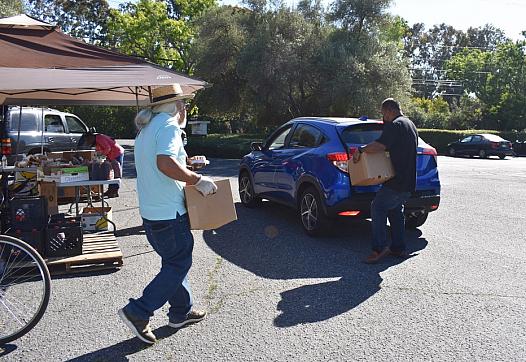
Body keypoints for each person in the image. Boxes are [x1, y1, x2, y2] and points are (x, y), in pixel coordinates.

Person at [118, 84, 217, 345]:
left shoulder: (146, 130)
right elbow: (164, 163)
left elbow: (162, 162)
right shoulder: (170, 125)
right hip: (169, 213)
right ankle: (138, 312)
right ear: (175, 106)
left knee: (173, 262)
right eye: (182, 103)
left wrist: (187, 164)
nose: (184, 108)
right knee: (178, 263)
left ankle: (180, 312)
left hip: (152, 213)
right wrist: (197, 179)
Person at [353, 98, 418, 264]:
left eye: (383, 114)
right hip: (409, 181)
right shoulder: (410, 124)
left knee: (378, 207)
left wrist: (361, 150)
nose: (383, 118)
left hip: (396, 181)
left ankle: (379, 249)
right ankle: (398, 247)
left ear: (390, 110)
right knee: (396, 211)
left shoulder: (395, 125)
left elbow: (380, 146)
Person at [78, 132, 124, 198]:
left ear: (91, 137)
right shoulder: (96, 142)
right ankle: (110, 190)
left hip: (117, 153)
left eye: (88, 140)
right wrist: (96, 159)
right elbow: (99, 152)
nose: (88, 142)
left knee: (116, 171)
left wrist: (100, 157)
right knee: (111, 173)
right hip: (111, 154)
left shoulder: (99, 138)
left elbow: (108, 148)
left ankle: (114, 191)